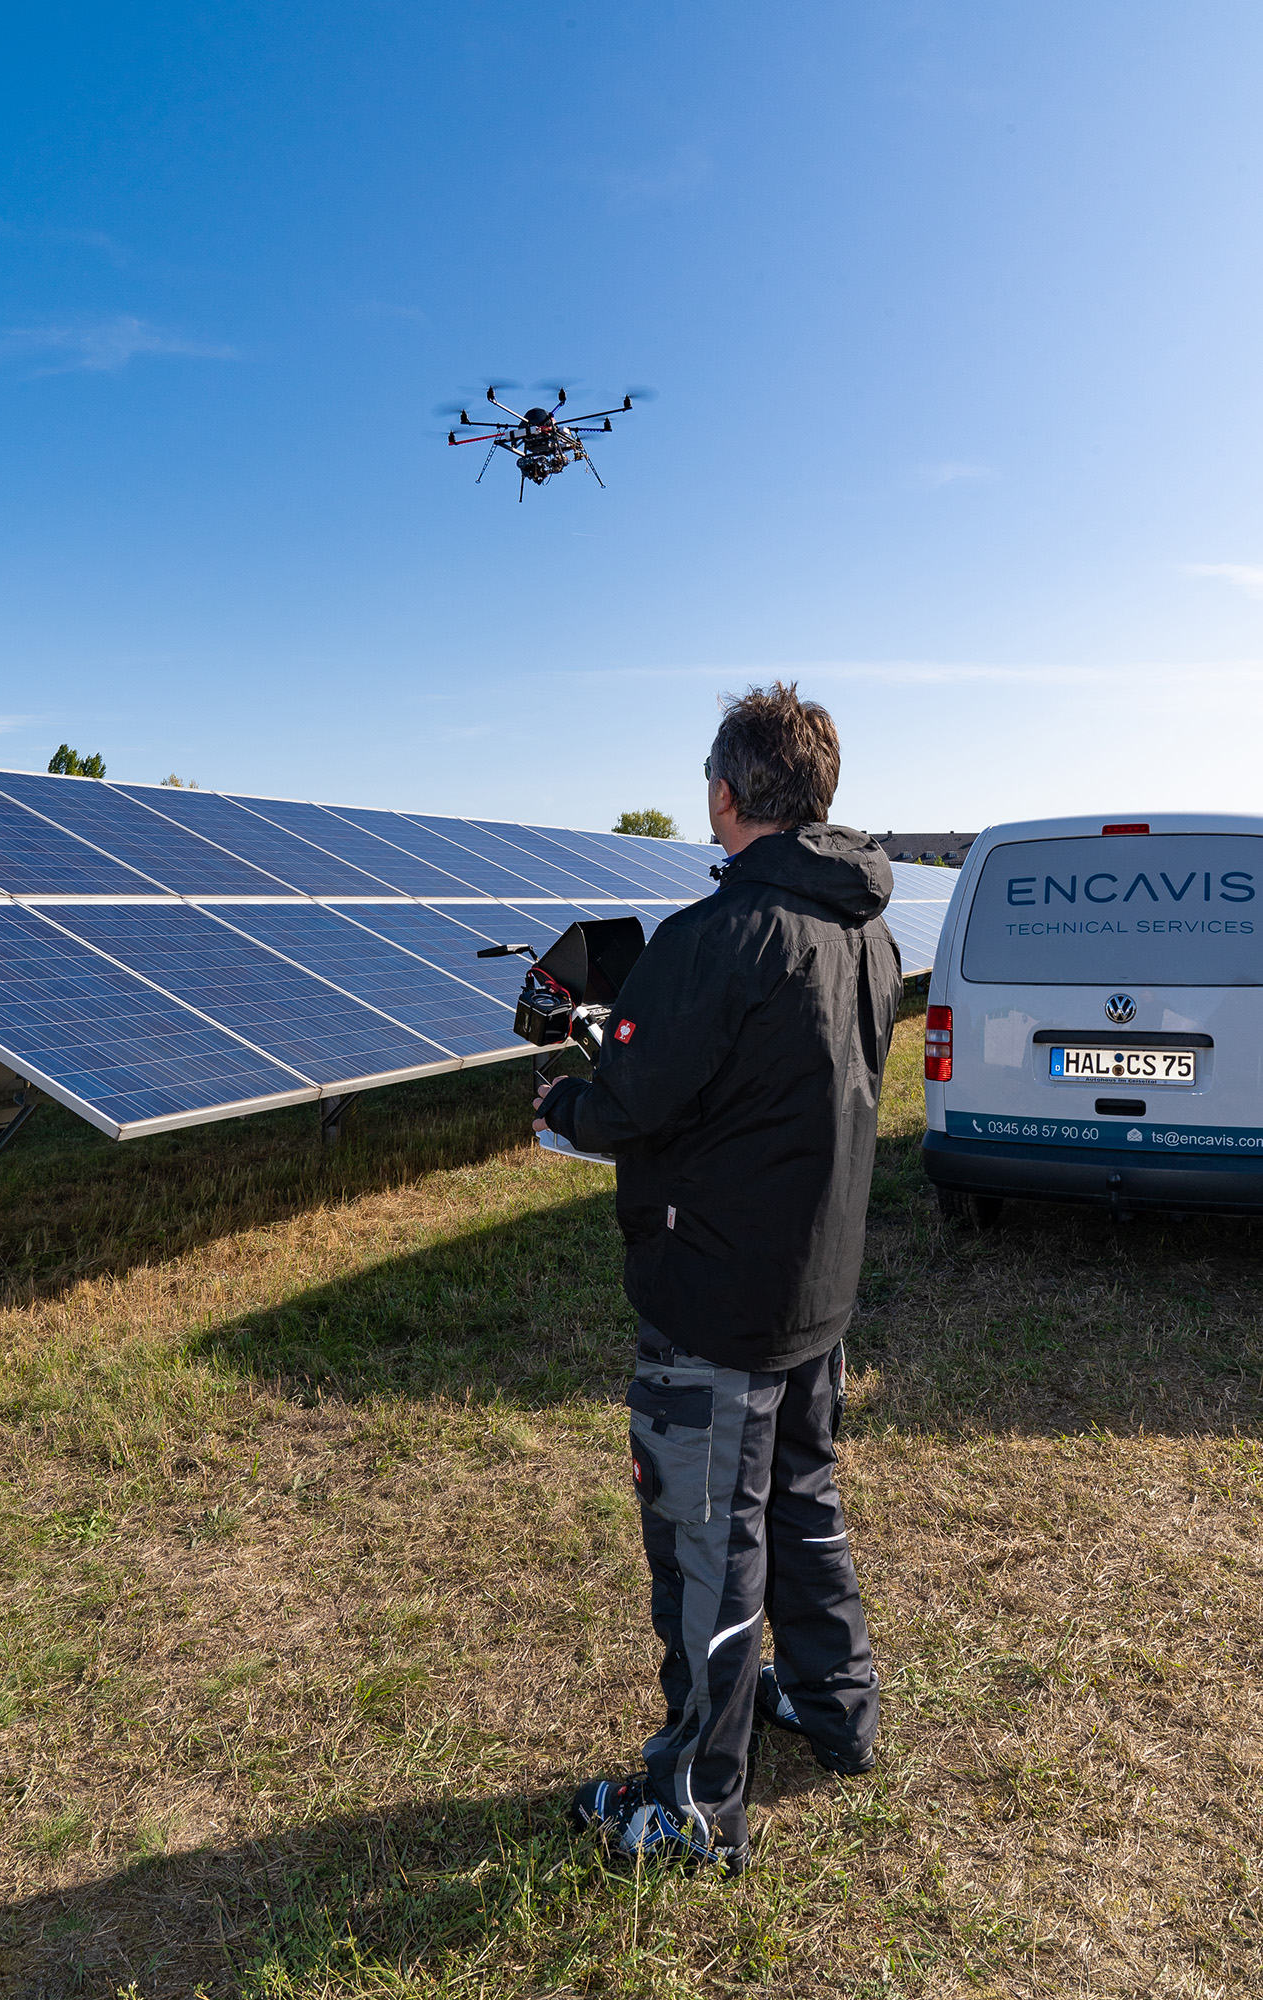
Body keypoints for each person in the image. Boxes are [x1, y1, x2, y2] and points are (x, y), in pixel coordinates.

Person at [532, 681, 903, 1877]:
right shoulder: (869, 925)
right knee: (801, 1503)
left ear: (729, 790)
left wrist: (565, 1100)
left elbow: (636, 1102)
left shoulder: (720, 935)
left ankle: (690, 1806)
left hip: (716, 1304)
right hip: (813, 1291)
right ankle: (834, 1709)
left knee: (708, 1544)